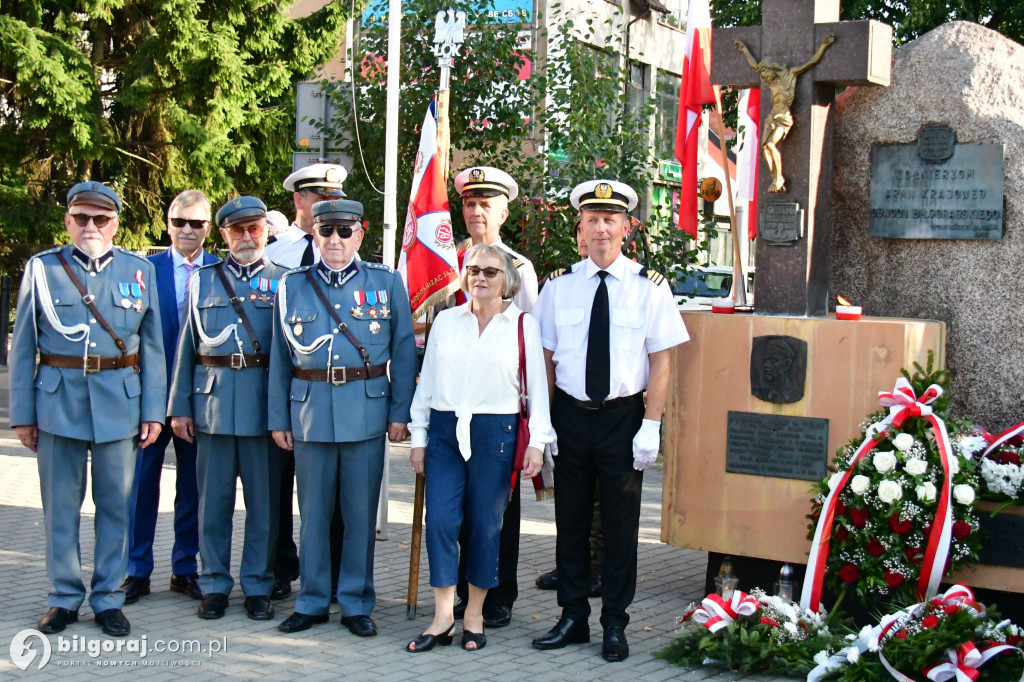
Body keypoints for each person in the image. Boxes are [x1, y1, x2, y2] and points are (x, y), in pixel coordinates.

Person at [531, 180, 689, 662]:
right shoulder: (558, 286)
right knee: (570, 522)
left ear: (626, 228)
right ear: (580, 227)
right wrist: (544, 421)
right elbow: (545, 359)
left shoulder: (649, 288)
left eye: (610, 220)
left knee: (620, 528)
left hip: (623, 419)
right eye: (592, 220)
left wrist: (651, 424)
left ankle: (615, 623)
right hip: (571, 418)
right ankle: (573, 617)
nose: (601, 228)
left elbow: (661, 361)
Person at [10, 182, 166, 636]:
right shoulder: (43, 269)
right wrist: (23, 414)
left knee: (116, 506)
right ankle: (63, 597)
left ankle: (108, 598)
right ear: (68, 221)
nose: (91, 227)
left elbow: (153, 348)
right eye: (82, 218)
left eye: (101, 219)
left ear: (116, 222)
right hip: (58, 402)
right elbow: (23, 348)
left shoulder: (139, 270)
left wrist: (153, 410)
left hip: (120, 401)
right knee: (60, 507)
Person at [269, 199, 416, 635]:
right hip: (310, 411)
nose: (335, 239)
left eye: (344, 230)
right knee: (313, 515)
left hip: (366, 411)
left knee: (359, 514)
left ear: (361, 233)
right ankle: (313, 600)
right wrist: (280, 418)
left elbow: (404, 351)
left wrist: (399, 412)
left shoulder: (386, 283)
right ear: (314, 232)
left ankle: (355, 601)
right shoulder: (291, 286)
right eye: (326, 229)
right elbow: (280, 358)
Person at [406, 244, 551, 653]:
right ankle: (442, 617)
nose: (481, 278)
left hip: (496, 431)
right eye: (473, 271)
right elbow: (427, 383)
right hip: (445, 430)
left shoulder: (523, 325)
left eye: (490, 271)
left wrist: (537, 443)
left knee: (485, 527)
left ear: (508, 280)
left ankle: (474, 614)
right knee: (441, 522)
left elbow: (537, 390)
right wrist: (419, 437)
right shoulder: (447, 322)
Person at [167, 196, 287, 621]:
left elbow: (290, 358)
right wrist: (179, 407)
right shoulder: (203, 281)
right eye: (237, 230)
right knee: (212, 505)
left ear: (266, 230)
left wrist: (283, 416)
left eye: (254, 228)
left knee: (264, 508)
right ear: (223, 235)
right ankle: (214, 583)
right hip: (212, 408)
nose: (247, 236)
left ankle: (258, 585)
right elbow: (187, 347)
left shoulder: (288, 281)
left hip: (262, 412)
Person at [449, 166, 538, 628]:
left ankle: (499, 595)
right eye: (470, 203)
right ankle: (463, 590)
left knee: (497, 510)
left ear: (504, 211)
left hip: (499, 410)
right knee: (457, 508)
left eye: (486, 204)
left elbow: (526, 344)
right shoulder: (447, 263)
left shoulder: (519, 268)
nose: (477, 211)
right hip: (455, 407)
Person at [123, 190, 218, 605]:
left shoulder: (220, 270)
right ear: (168, 224)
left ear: (208, 229)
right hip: (151, 398)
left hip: (201, 400)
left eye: (196, 223)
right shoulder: (146, 270)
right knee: (141, 485)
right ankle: (136, 570)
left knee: (193, 488)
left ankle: (185, 568)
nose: (186, 230)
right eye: (180, 222)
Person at [264, 163, 349, 601]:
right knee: (276, 489)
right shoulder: (274, 253)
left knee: (330, 496)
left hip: (331, 399)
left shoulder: (343, 249)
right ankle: (280, 567)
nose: (325, 204)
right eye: (318, 196)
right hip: (289, 390)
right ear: (299, 200)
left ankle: (332, 576)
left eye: (333, 196)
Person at [535, 215, 603, 598]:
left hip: (611, 410)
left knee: (601, 500)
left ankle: (598, 566)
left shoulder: (635, 282)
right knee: (571, 498)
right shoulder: (563, 283)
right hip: (568, 406)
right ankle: (572, 566)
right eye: (582, 229)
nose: (587, 236)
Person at [735, 34, 835, 192]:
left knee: (770, 144)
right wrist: (744, 49)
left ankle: (779, 177)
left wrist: (823, 46)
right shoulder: (771, 83)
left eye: (765, 74)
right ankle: (775, 177)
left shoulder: (790, 75)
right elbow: (755, 65)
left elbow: (811, 63)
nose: (763, 77)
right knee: (765, 147)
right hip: (771, 117)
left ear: (771, 70)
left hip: (783, 118)